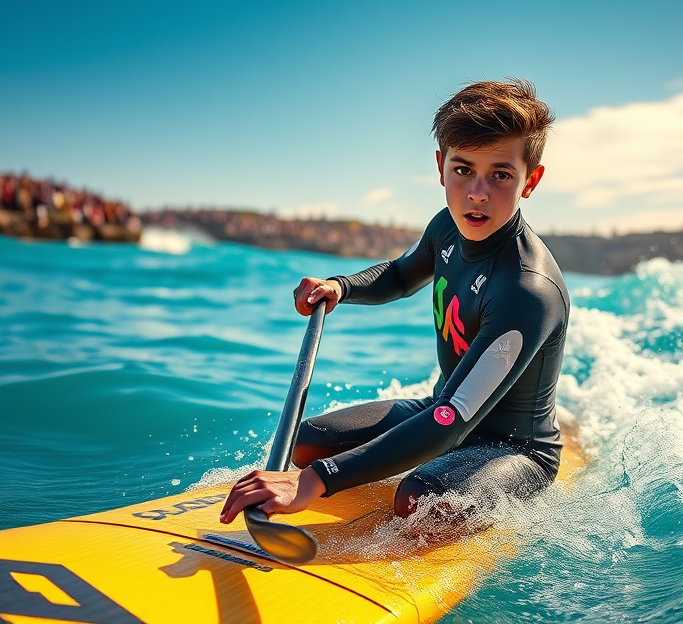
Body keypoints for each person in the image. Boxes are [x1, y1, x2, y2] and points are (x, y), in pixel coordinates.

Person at [219, 79, 570, 529]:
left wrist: (316, 482)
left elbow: (452, 419)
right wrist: (341, 287)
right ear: (441, 167)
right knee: (306, 444)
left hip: (513, 447)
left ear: (530, 180)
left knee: (418, 501)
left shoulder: (528, 289)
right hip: (443, 408)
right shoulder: (447, 226)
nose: (477, 193)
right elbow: (403, 275)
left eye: (500, 174)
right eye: (463, 170)